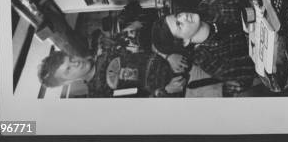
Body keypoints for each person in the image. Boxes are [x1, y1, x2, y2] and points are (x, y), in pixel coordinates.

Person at [151, 0, 255, 97]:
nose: (184, 16)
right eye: (179, 24)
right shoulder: (209, 60)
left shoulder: (207, 7)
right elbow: (248, 73)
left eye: (178, 15)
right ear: (185, 42)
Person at [38, 35, 189, 97]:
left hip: (181, 58)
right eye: (68, 69)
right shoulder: (98, 96)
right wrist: (166, 91)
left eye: (70, 58)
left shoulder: (107, 49)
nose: (75, 62)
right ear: (66, 82)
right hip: (181, 90)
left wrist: (167, 55)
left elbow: (145, 44)